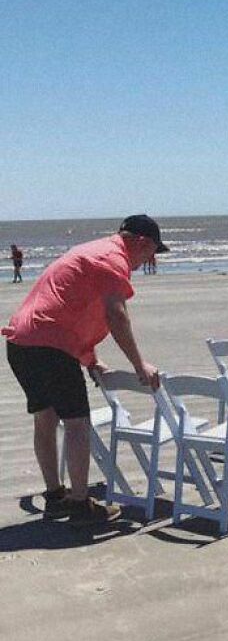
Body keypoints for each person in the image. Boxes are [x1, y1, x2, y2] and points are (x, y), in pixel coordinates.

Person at [2, 215, 169, 526]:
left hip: (22, 341)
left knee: (46, 417)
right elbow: (116, 315)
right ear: (143, 242)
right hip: (49, 345)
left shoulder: (93, 251)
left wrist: (90, 358)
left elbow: (70, 309)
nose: (149, 260)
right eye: (152, 253)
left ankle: (55, 497)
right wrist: (138, 364)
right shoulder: (113, 258)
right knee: (77, 423)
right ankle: (80, 505)